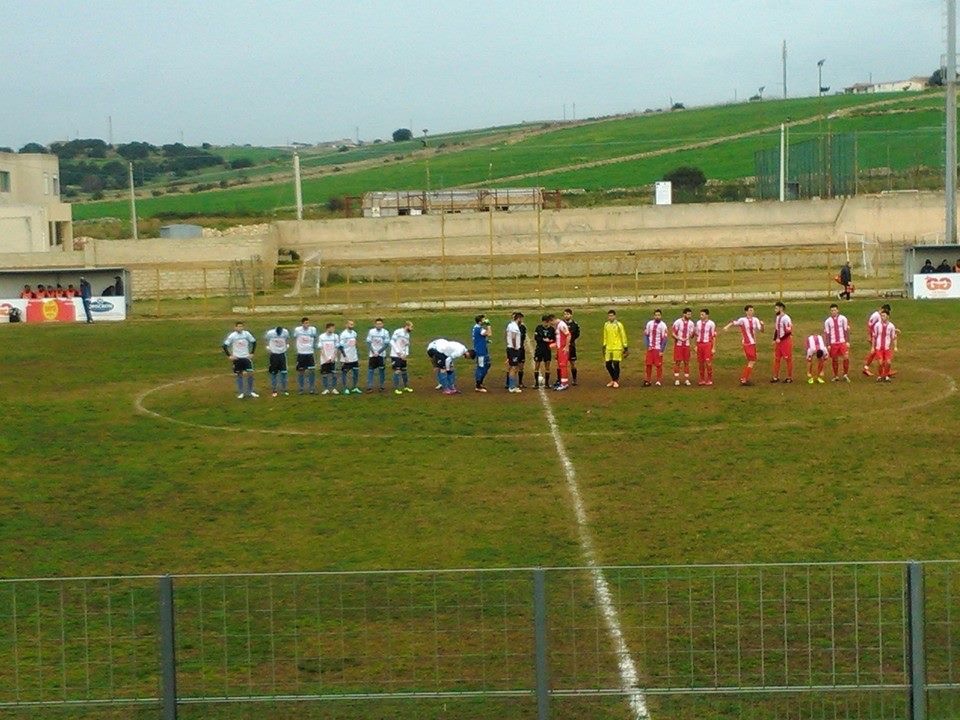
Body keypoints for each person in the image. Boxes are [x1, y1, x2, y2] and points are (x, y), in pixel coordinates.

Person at [724, 305, 764, 386]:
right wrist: (727, 327)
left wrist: (762, 325)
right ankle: (744, 379)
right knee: (752, 361)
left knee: (751, 361)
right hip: (747, 343)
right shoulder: (742, 320)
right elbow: (734, 322)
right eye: (750, 310)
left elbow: (762, 330)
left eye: (752, 310)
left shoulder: (756, 320)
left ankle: (744, 378)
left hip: (753, 343)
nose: (751, 311)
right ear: (746, 312)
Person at [222, 321, 258, 399]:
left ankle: (251, 391)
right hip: (237, 358)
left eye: (241, 326)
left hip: (246, 357)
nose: (240, 328)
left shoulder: (246, 334)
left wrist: (252, 353)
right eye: (238, 326)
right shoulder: (232, 336)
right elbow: (224, 345)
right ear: (235, 328)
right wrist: (230, 356)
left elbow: (254, 342)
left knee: (250, 373)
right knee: (239, 375)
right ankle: (241, 392)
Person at [823, 303, 851, 382]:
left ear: (838, 310)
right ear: (830, 311)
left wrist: (847, 341)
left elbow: (846, 330)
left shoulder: (843, 319)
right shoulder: (827, 321)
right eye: (832, 310)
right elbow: (827, 334)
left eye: (835, 310)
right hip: (833, 343)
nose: (833, 312)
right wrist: (828, 344)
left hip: (842, 342)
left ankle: (845, 374)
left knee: (846, 357)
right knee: (835, 359)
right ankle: (836, 376)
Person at [862, 303, 891, 377]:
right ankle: (866, 368)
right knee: (875, 352)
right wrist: (870, 336)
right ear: (882, 309)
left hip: (877, 336)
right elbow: (870, 325)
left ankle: (884, 370)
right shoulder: (876, 315)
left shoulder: (879, 316)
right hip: (874, 336)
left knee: (876, 352)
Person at [602, 309, 629, 388]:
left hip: (617, 347)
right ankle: (613, 379)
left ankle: (616, 380)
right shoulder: (606, 324)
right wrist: (604, 345)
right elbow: (605, 335)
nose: (610, 317)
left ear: (615, 316)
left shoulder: (619, 325)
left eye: (611, 316)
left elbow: (623, 335)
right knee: (608, 364)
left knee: (616, 363)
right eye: (609, 316)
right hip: (608, 347)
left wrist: (625, 347)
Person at [871, 308, 898, 382]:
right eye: (881, 316)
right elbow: (874, 337)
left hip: (887, 348)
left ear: (888, 316)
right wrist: (873, 347)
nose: (882, 317)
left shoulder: (891, 326)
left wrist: (895, 346)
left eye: (884, 316)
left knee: (888, 362)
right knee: (880, 363)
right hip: (879, 348)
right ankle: (880, 376)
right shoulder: (877, 325)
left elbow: (894, 337)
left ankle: (886, 376)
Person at [642, 308, 668, 387]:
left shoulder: (663, 325)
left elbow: (665, 339)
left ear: (661, 316)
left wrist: (661, 350)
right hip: (650, 348)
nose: (657, 316)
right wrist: (648, 346)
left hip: (658, 348)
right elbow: (646, 335)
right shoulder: (649, 324)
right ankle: (648, 380)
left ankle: (658, 380)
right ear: (654, 316)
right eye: (656, 315)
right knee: (648, 364)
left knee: (658, 365)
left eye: (659, 315)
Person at [293, 316, 318, 395]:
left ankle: (312, 388)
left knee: (312, 371)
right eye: (306, 323)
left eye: (308, 323)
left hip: (310, 353)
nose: (307, 324)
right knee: (301, 371)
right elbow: (295, 337)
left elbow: (315, 337)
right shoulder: (297, 330)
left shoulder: (313, 330)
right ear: (302, 323)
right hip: (301, 353)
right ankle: (301, 388)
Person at [770, 301, 794, 384]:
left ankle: (789, 377)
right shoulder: (777, 318)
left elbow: (789, 332)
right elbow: (777, 329)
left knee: (788, 359)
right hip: (779, 342)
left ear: (781, 308)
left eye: (776, 308)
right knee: (777, 359)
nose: (775, 310)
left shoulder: (786, 318)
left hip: (785, 342)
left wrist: (780, 339)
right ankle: (775, 377)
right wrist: (774, 339)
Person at [365, 318, 391, 392]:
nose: (379, 325)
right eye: (377, 324)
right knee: (370, 370)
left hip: (381, 355)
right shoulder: (371, 331)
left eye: (380, 324)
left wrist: (378, 352)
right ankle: (369, 386)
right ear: (375, 324)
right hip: (372, 355)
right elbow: (368, 342)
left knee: (381, 370)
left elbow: (386, 344)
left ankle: (382, 386)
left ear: (382, 324)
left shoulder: (385, 332)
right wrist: (373, 352)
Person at [671, 307, 695, 386]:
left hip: (687, 346)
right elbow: (673, 333)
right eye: (688, 314)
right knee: (677, 362)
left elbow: (691, 335)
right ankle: (677, 380)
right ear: (684, 314)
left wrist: (692, 334)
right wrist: (679, 338)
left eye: (690, 314)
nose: (689, 315)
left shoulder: (691, 323)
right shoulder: (677, 322)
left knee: (686, 362)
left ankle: (686, 380)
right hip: (679, 345)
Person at [264, 325, 290, 397]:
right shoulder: (270, 333)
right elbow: (266, 339)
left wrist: (287, 344)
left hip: (282, 355)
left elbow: (288, 338)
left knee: (284, 373)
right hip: (274, 355)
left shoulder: (285, 332)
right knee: (273, 373)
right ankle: (274, 390)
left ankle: (284, 389)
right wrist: (268, 347)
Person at [548, 313, 571, 390]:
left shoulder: (561, 325)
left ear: (552, 320)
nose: (551, 325)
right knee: (561, 366)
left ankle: (564, 384)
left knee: (563, 365)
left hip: (563, 349)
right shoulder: (558, 325)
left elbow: (568, 335)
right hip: (560, 348)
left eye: (551, 323)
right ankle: (563, 382)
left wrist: (566, 347)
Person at [390, 321, 414, 394]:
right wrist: (398, 352)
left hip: (403, 356)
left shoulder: (407, 335)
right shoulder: (398, 332)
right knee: (397, 371)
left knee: (404, 371)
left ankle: (406, 387)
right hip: (395, 355)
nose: (412, 329)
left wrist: (405, 354)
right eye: (411, 327)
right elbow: (392, 342)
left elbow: (406, 345)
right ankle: (396, 388)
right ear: (406, 326)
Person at [694, 308, 717, 386]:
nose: (701, 316)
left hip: (707, 345)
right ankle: (702, 379)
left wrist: (713, 347)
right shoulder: (698, 323)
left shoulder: (711, 324)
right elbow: (696, 335)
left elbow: (713, 336)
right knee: (700, 363)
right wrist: (696, 345)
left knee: (708, 362)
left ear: (707, 315)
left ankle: (709, 379)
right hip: (700, 345)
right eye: (700, 314)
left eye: (702, 314)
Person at [317, 322, 340, 395]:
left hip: (333, 358)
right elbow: (321, 348)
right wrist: (325, 357)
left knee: (334, 374)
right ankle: (325, 388)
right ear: (328, 328)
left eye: (334, 328)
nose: (333, 329)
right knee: (325, 374)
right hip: (324, 359)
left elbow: (336, 348)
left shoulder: (335, 336)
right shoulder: (322, 336)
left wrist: (333, 357)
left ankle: (334, 388)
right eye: (332, 328)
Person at [472, 313, 493, 392]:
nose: (485, 320)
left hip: (482, 350)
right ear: (480, 321)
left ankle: (480, 382)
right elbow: (489, 334)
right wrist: (488, 325)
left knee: (487, 365)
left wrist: (485, 341)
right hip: (481, 351)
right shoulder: (479, 329)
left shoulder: (476, 327)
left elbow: (478, 338)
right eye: (484, 319)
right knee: (481, 367)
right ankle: (478, 385)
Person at [339, 320, 361, 394]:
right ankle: (345, 388)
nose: (352, 325)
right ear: (346, 325)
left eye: (352, 324)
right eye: (350, 324)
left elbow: (355, 344)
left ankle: (354, 387)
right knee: (345, 373)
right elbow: (341, 347)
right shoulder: (343, 334)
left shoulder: (354, 333)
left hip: (354, 357)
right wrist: (345, 357)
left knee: (356, 372)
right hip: (346, 357)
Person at [533, 314, 555, 389]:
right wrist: (543, 339)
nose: (546, 323)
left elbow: (554, 339)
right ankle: (536, 383)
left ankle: (547, 384)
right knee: (537, 365)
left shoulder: (552, 329)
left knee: (547, 366)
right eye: (544, 322)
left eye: (547, 322)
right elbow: (536, 337)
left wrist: (550, 340)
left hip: (547, 350)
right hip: (539, 349)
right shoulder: (538, 328)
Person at [505, 312, 523, 393]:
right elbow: (513, 338)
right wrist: (515, 347)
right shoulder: (514, 327)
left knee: (513, 367)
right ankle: (512, 387)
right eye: (521, 319)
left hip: (510, 348)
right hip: (513, 349)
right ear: (518, 318)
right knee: (514, 367)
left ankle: (512, 385)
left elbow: (506, 334)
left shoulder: (510, 325)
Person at [562, 308, 581, 385]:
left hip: (571, 346)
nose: (566, 316)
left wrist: (570, 341)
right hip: (562, 346)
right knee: (562, 363)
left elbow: (577, 334)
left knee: (572, 363)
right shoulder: (561, 324)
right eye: (565, 314)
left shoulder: (575, 325)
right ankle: (561, 379)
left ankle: (574, 379)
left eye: (568, 314)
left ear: (571, 315)